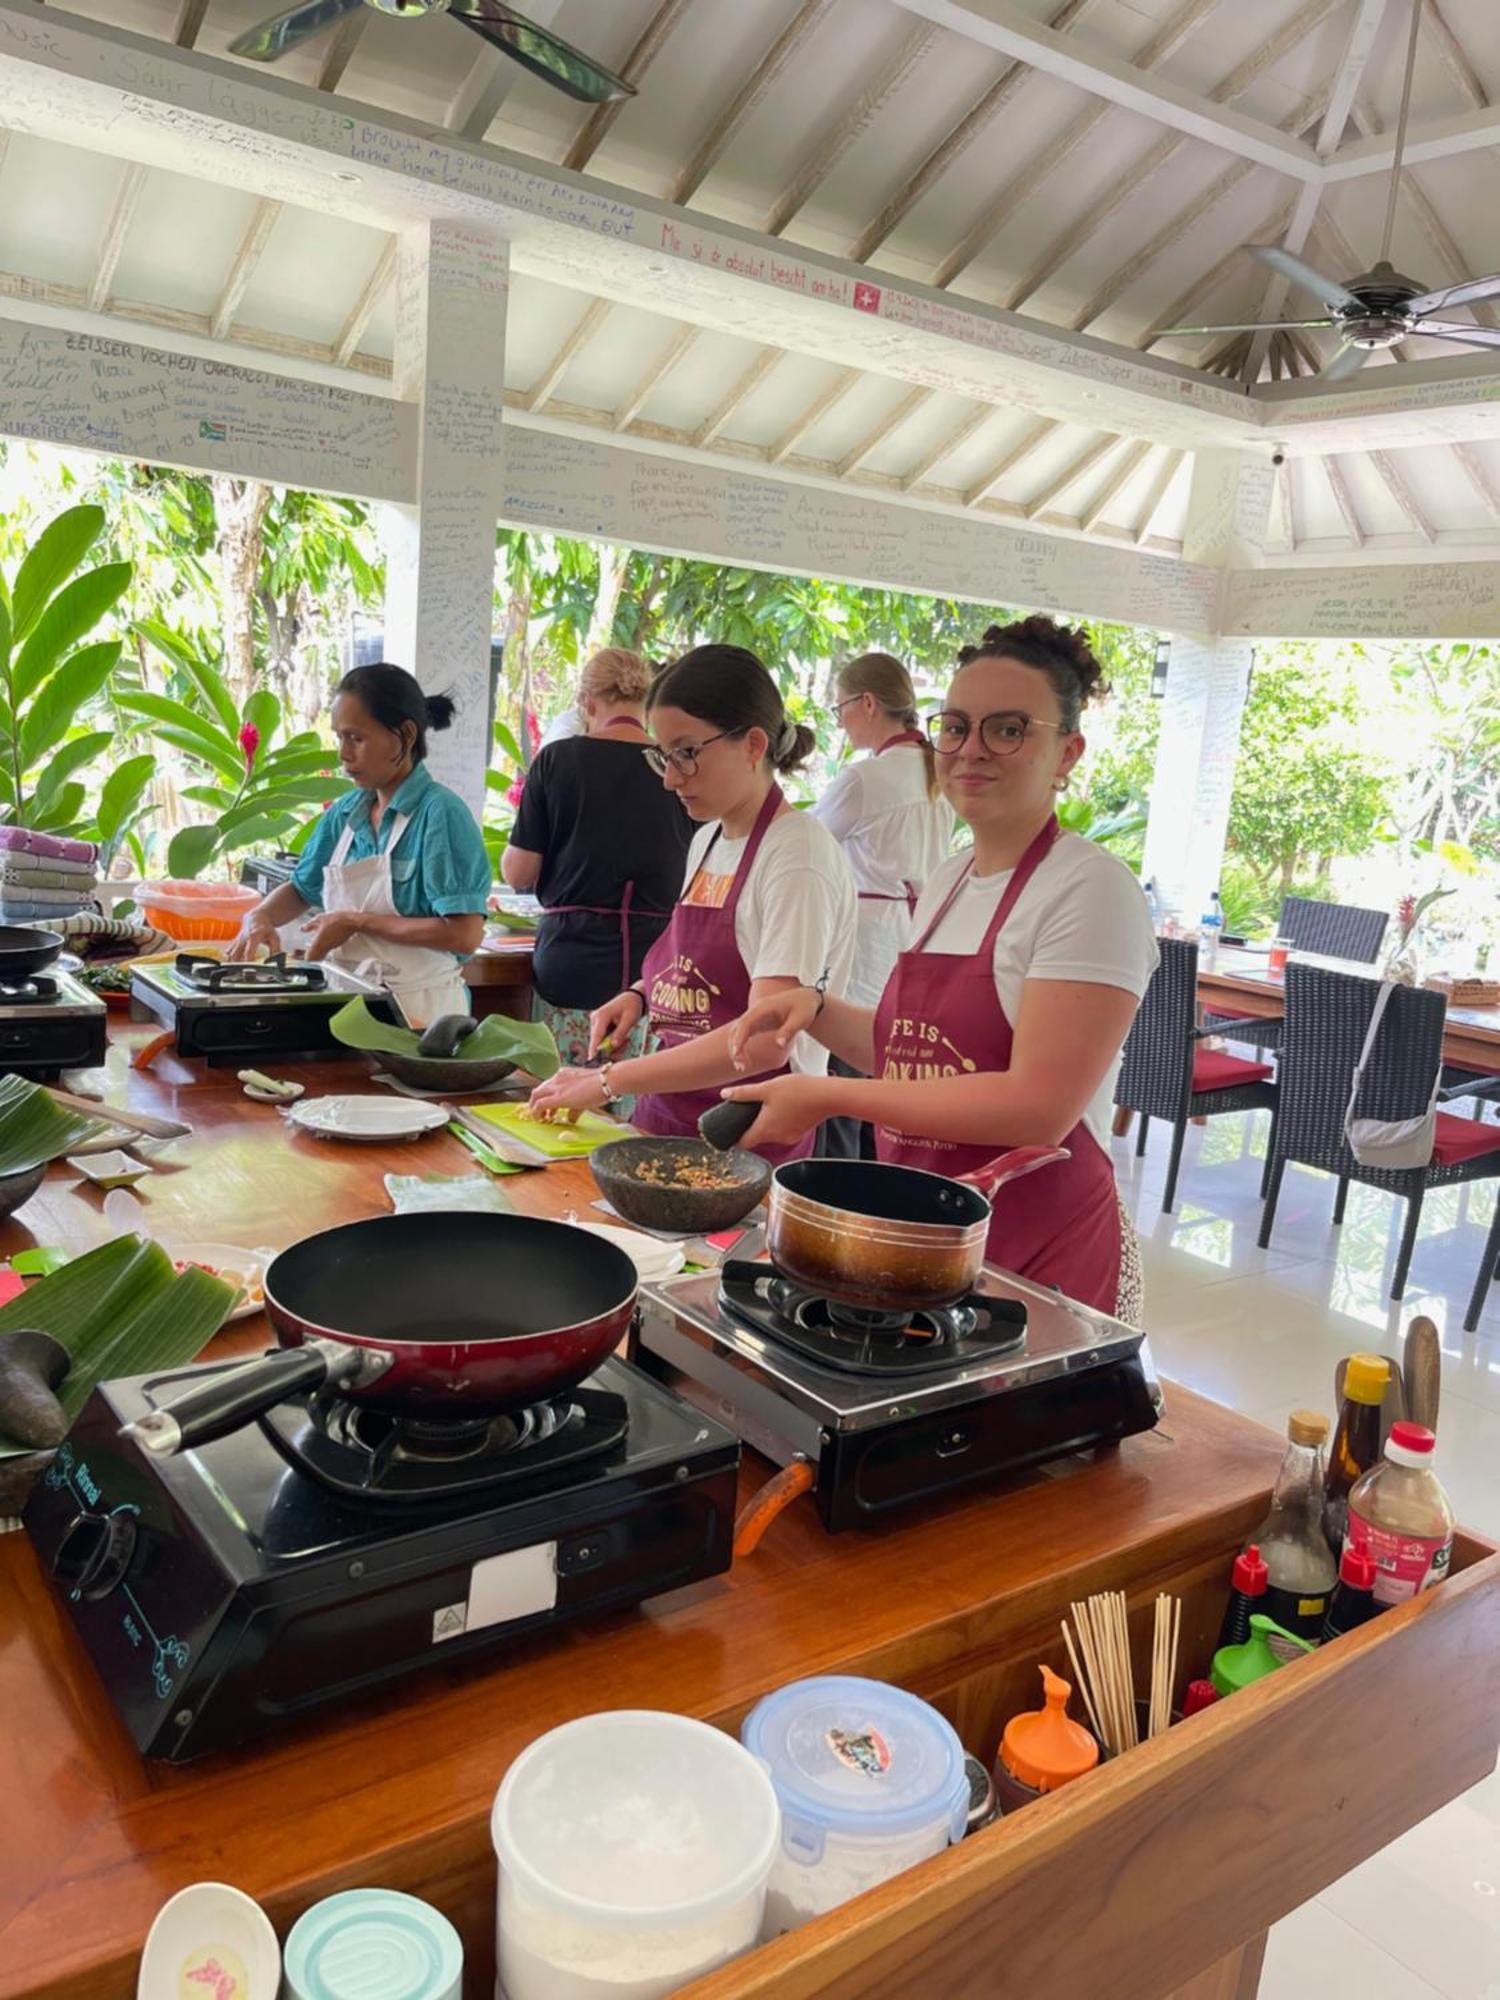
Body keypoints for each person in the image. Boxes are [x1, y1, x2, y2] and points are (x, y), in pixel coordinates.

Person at [721, 617, 1158, 1317]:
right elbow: (915, 1051)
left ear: (1067, 752)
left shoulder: (1091, 889)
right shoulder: (952, 877)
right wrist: (817, 1009)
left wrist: (832, 1096)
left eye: (1007, 729)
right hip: (930, 1238)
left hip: (1038, 1250)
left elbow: (1038, 1107)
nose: (969, 751)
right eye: (955, 727)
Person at [526, 644, 856, 1162]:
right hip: (668, 1110)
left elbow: (765, 1040)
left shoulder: (797, 855)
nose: (669, 777)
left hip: (745, 1130)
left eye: (686, 753)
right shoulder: (709, 839)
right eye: (662, 754)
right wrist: (639, 993)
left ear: (751, 744)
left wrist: (609, 1081)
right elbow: (692, 960)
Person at [227, 662, 491, 1029]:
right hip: (349, 1008)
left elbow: (464, 933)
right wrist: (260, 917)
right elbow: (302, 889)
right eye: (339, 737)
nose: (343, 754)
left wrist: (359, 922)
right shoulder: (346, 814)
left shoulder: (439, 814)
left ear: (405, 736)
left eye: (356, 738)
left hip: (421, 1019)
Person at [501, 648, 691, 1079]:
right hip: (655, 972)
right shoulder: (679, 770)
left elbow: (518, 873)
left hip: (570, 964)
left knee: (562, 1106)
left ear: (587, 703)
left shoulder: (557, 760)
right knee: (631, 1112)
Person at [812, 650, 954, 1158]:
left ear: (868, 703)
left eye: (840, 707)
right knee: (887, 1087)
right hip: (915, 936)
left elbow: (806, 842)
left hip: (865, 942)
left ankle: (833, 1204)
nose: (841, 721)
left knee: (842, 1092)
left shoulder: (865, 779)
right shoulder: (939, 768)